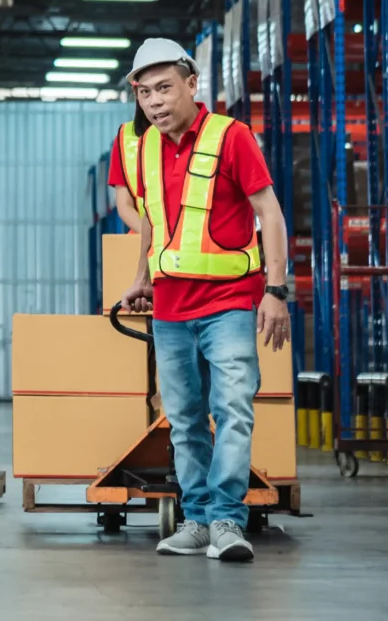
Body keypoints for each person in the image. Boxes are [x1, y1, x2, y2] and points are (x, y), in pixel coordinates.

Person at [109, 38, 292, 563]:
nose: (155, 102)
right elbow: (152, 222)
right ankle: (195, 521)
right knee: (185, 418)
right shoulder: (142, 148)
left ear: (192, 84)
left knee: (232, 410)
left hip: (231, 302)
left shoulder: (231, 137)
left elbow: (271, 215)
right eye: (145, 93)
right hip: (169, 308)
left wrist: (275, 292)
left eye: (165, 88)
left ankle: (228, 522)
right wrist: (142, 276)